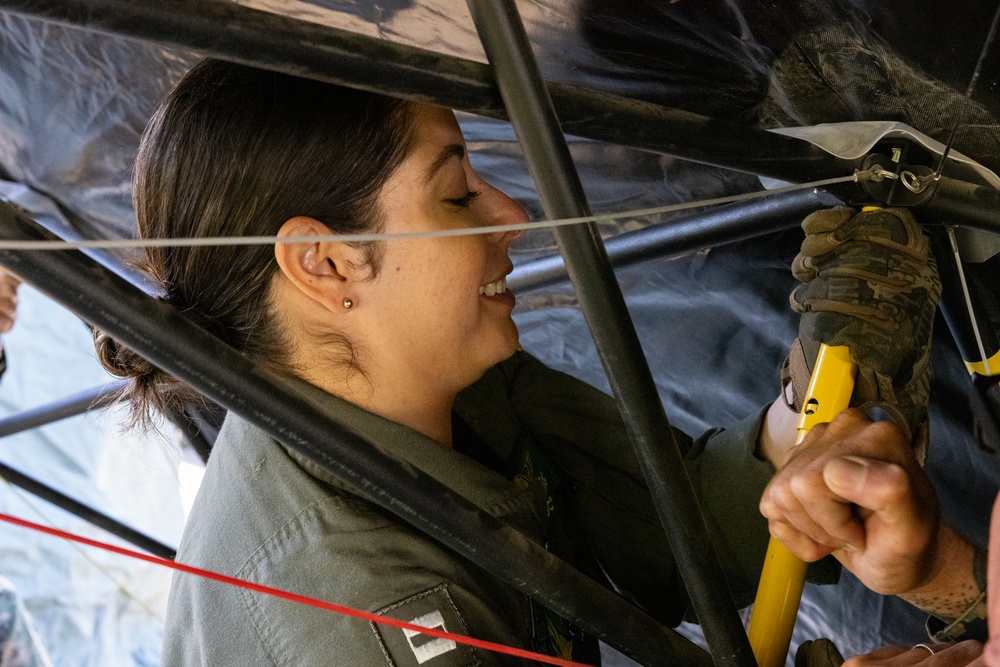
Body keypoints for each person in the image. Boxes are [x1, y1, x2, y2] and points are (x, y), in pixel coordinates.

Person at [93, 59, 937, 666]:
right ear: (325, 264)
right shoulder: (360, 617)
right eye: (456, 192)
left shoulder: (452, 382)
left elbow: (679, 530)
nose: (512, 213)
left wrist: (813, 408)